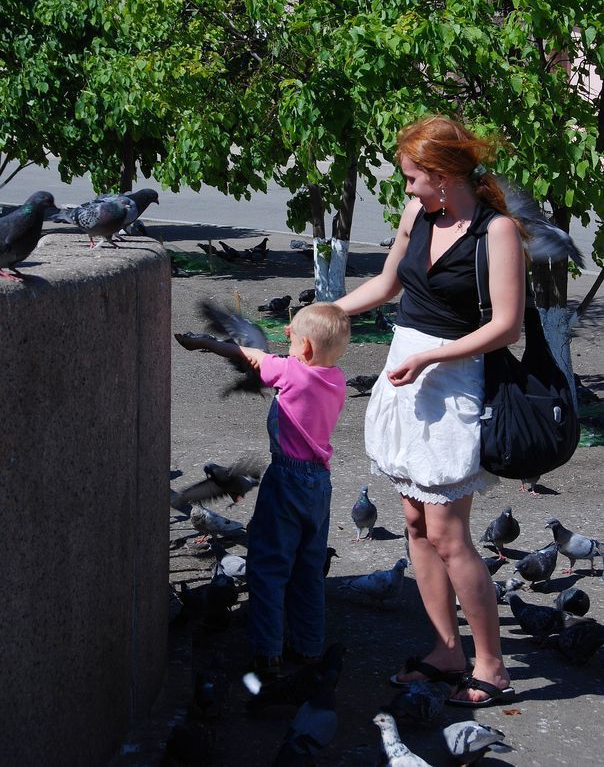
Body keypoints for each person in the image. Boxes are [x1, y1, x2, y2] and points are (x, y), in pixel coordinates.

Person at [336, 115, 525, 706]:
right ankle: (446, 649)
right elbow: (390, 283)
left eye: (414, 178)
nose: (408, 189)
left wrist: (434, 359)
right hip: (405, 370)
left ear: (444, 177)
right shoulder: (417, 216)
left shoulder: (497, 233)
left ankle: (490, 666)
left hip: (452, 379)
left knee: (448, 534)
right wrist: (328, 311)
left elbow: (506, 325)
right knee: (415, 524)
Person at [176, 302, 350, 678]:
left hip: (286, 480)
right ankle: (307, 648)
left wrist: (205, 344)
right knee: (307, 569)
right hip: (320, 484)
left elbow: (249, 354)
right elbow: (290, 353)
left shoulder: (291, 372)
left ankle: (267, 652)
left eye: (293, 337)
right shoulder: (337, 379)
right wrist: (302, 340)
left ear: (303, 348)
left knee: (268, 567)